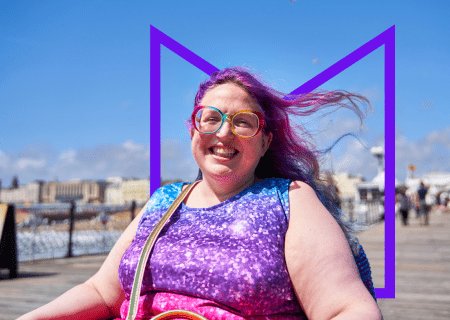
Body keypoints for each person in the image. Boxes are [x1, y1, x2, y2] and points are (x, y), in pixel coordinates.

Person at [18, 67, 382, 320]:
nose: (224, 133)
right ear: (193, 129)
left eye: (243, 122)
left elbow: (345, 308)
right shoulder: (164, 201)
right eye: (211, 118)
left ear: (265, 140)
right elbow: (102, 293)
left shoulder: (289, 199)